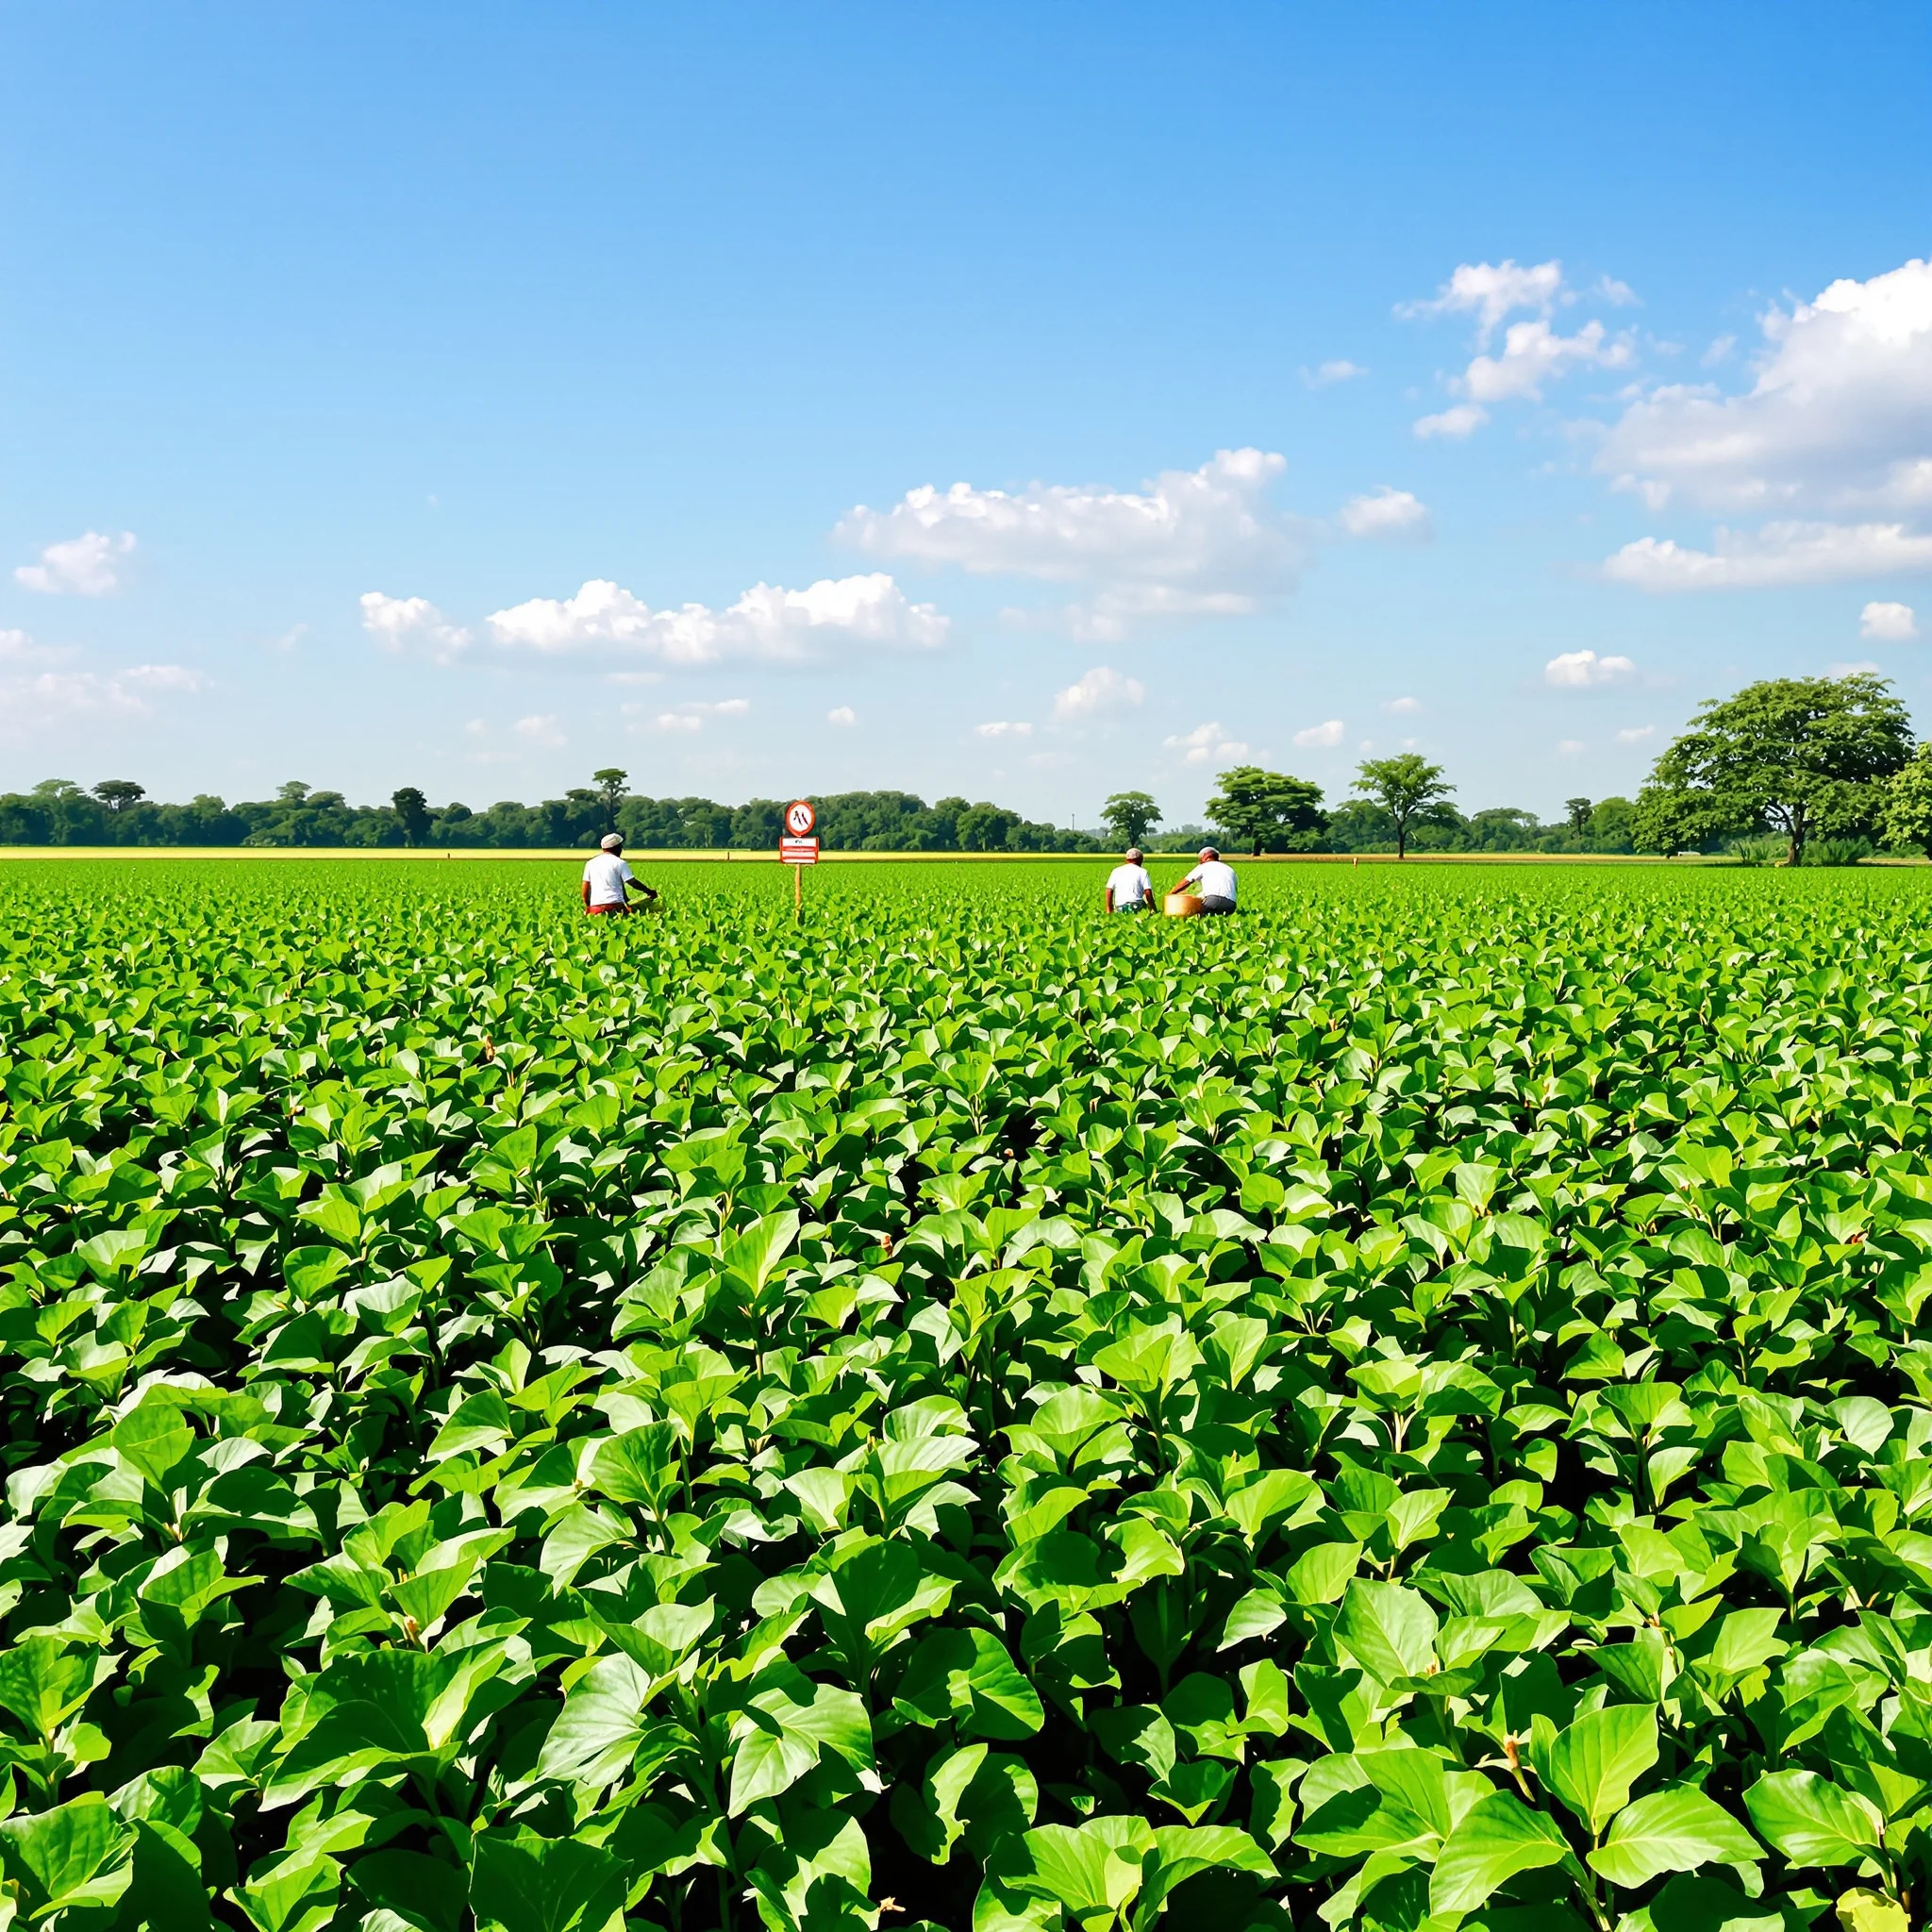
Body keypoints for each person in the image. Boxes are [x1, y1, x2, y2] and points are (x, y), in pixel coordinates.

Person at [581, 833, 659, 916]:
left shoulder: (590, 863)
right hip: (615, 906)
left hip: (595, 908)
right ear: (617, 848)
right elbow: (632, 882)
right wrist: (649, 891)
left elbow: (585, 887)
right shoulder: (619, 863)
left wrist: (588, 907)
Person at [1172, 845, 1238, 914]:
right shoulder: (1230, 869)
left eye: (1200, 859)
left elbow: (1186, 881)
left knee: (1192, 914)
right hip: (1231, 905)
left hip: (1213, 901)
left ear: (1206, 857)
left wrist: (1171, 894)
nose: (1200, 862)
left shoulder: (1204, 866)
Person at [1104, 846, 1154, 912]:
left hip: (1119, 906)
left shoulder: (1116, 871)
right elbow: (1147, 891)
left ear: (1126, 860)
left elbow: (1109, 890)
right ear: (1140, 860)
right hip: (1136, 906)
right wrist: (1153, 909)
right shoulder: (1142, 871)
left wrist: (1109, 909)